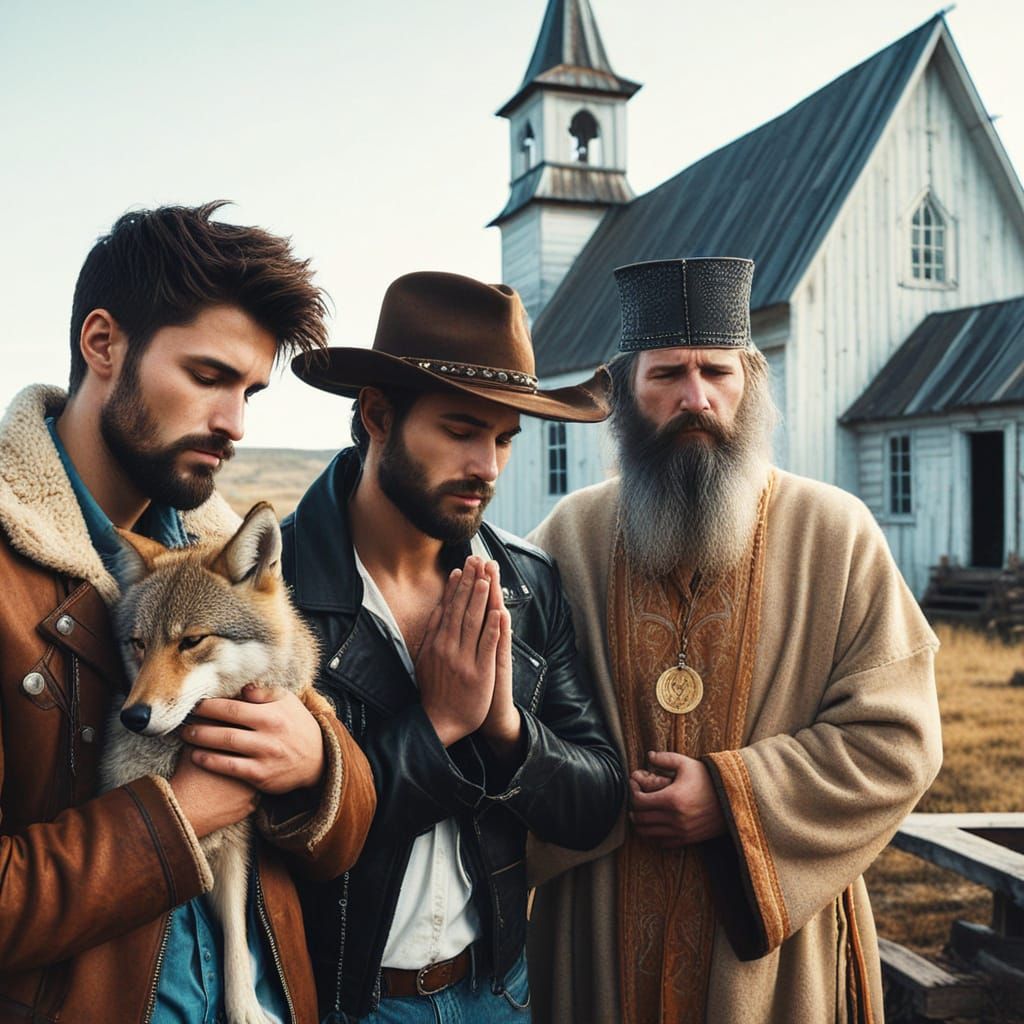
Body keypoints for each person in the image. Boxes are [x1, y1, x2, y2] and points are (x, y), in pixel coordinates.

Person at [526, 257, 944, 1024]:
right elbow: (514, 724)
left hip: (774, 963)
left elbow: (898, 740)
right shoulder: (566, 540)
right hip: (601, 927)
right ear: (624, 390)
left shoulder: (835, 534)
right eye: (667, 375)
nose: (695, 399)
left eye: (717, 371)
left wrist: (731, 795)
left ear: (750, 380)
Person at [0, 202, 376, 1024]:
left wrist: (318, 764)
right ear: (103, 345)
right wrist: (177, 820)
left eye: (248, 391)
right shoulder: (7, 562)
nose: (235, 424)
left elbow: (349, 836)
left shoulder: (224, 557)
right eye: (208, 378)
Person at [282, 271, 626, 1022]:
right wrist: (437, 726)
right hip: (341, 1002)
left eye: (504, 439)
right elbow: (281, 841)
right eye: (462, 430)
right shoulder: (276, 595)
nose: (489, 467)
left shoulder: (526, 587)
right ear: (376, 413)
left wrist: (504, 729)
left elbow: (597, 799)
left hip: (499, 989)